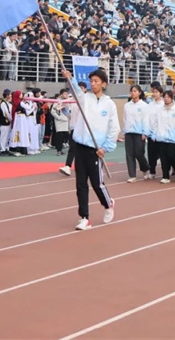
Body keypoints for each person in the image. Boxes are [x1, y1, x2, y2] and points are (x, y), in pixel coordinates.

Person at [63, 68, 120, 231]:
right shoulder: (85, 98)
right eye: (91, 81)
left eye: (96, 81)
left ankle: (108, 203)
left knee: (97, 183)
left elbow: (114, 128)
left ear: (104, 84)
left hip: (96, 149)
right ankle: (84, 217)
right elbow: (76, 91)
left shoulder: (109, 104)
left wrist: (105, 148)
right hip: (80, 146)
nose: (93, 84)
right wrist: (70, 78)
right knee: (81, 183)